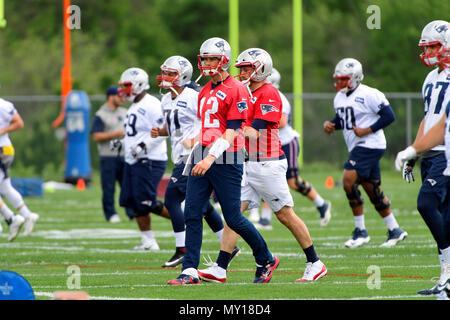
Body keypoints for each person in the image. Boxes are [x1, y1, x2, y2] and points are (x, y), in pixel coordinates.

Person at [198, 48, 327, 283]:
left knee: (285, 215)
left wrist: (229, 128)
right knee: (233, 215)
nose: (243, 72)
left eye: (247, 67)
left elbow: (253, 133)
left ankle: (315, 262)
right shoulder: (244, 91)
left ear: (262, 68)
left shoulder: (268, 93)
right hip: (249, 164)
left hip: (268, 164)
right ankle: (220, 267)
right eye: (241, 68)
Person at [168, 38, 279, 285]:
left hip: (227, 157)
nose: (207, 63)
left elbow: (231, 130)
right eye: (204, 58)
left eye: (212, 59)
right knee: (192, 212)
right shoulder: (205, 90)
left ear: (224, 60)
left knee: (233, 218)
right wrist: (197, 149)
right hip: (203, 153)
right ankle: (190, 271)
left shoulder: (237, 88)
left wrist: (209, 157)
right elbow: (208, 127)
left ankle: (265, 258)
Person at [153, 55, 237, 268]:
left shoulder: (193, 95)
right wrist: (161, 132)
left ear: (183, 76)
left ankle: (182, 250)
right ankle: (227, 244)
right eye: (165, 73)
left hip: (193, 154)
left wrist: (197, 140)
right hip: (180, 154)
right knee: (200, 203)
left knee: (172, 197)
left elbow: (212, 122)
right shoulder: (165, 99)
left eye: (171, 74)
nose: (165, 77)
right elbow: (175, 126)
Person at [323, 58, 407, 248]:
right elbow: (344, 119)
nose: (339, 83)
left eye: (343, 79)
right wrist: (331, 125)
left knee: (347, 180)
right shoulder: (339, 97)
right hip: (357, 145)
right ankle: (395, 229)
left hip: (371, 144)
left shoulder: (369, 94)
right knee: (371, 189)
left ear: (355, 77)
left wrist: (367, 130)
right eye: (338, 79)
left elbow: (389, 116)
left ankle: (360, 231)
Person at [395, 20, 450, 296]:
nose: (428, 52)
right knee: (444, 215)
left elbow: (443, 127)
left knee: (426, 204)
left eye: (434, 46)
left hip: (445, 153)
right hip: (431, 152)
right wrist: (414, 152)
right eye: (426, 47)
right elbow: (429, 119)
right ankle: (447, 277)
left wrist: (414, 150)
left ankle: (448, 272)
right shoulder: (431, 78)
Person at [250, 68, 332, 229]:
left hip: (286, 143)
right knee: (266, 178)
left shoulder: (277, 96)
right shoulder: (257, 95)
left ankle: (321, 204)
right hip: (269, 146)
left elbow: (281, 122)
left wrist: (257, 122)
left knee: (293, 182)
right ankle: (265, 219)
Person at [116, 67, 171, 251]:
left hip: (150, 159)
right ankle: (148, 241)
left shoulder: (151, 104)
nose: (124, 90)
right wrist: (122, 144)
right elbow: (134, 136)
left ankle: (185, 220)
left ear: (139, 84)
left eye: (127, 85)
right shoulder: (134, 106)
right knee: (133, 201)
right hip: (135, 160)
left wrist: (143, 146)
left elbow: (163, 131)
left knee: (147, 201)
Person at [90, 86, 135, 223]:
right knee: (108, 188)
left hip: (124, 155)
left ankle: (132, 212)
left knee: (127, 186)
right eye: (119, 95)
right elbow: (96, 136)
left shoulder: (125, 112)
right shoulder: (101, 114)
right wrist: (115, 134)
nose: (122, 98)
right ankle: (111, 214)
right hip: (108, 156)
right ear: (111, 97)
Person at [0, 96, 39, 240]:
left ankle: (11, 218)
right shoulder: (4, 104)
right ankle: (27, 215)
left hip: (2, 149)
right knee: (5, 188)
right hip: (6, 149)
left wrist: (2, 131)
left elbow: (19, 123)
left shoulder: (2, 105)